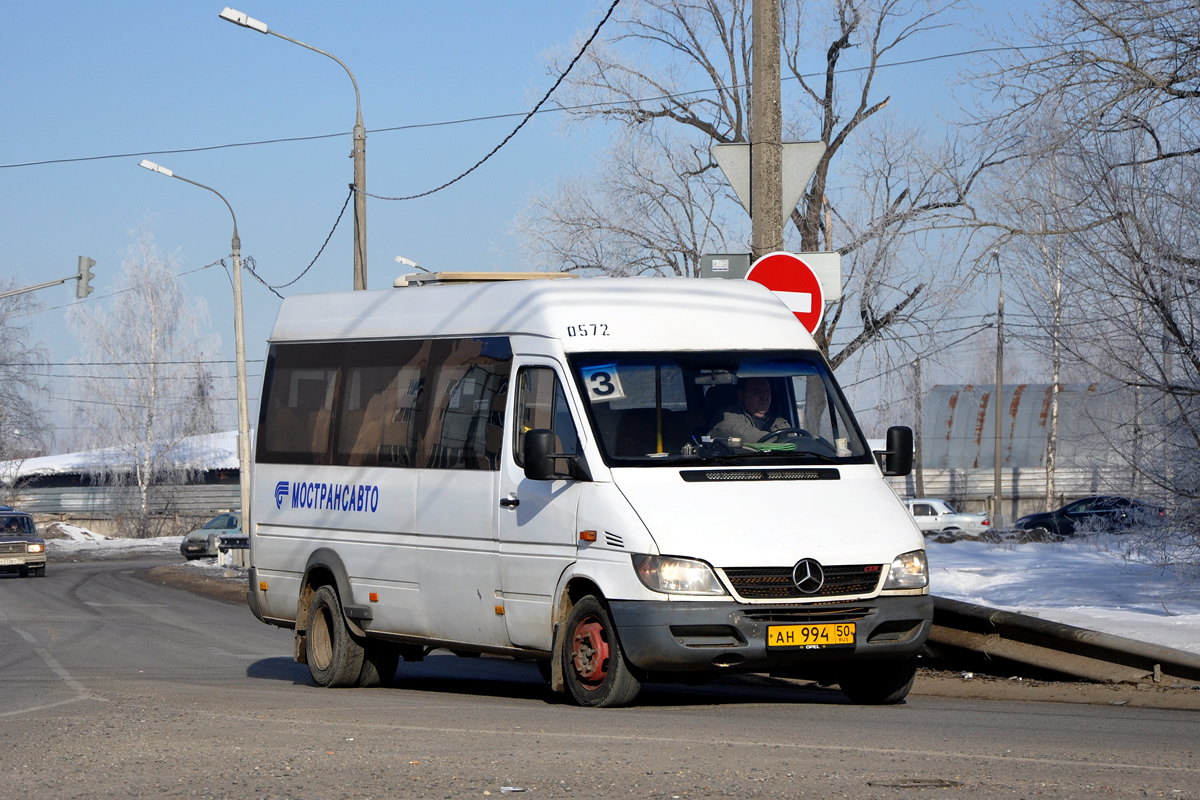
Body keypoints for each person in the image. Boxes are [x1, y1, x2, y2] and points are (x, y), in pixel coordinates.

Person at [708, 377, 793, 443]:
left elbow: (796, 442)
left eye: (767, 392)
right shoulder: (726, 416)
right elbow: (745, 436)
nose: (764, 397)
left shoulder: (780, 423)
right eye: (758, 392)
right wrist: (784, 442)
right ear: (741, 395)